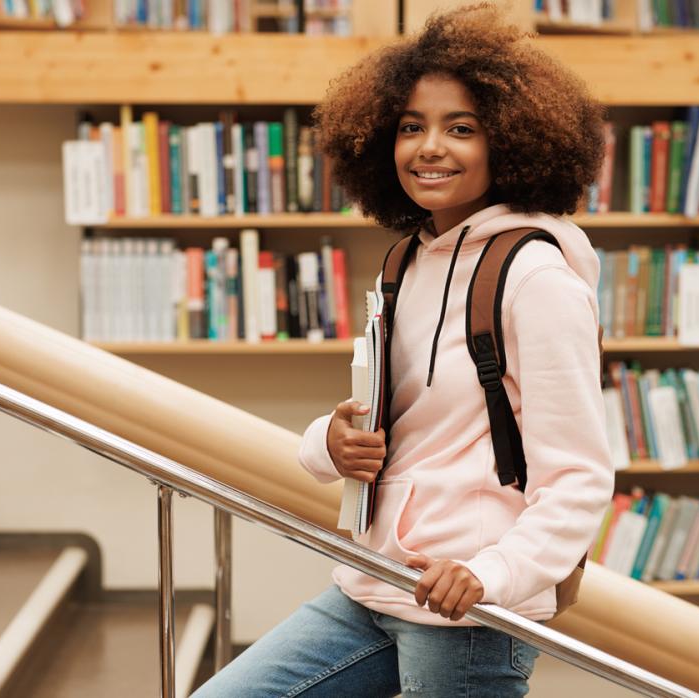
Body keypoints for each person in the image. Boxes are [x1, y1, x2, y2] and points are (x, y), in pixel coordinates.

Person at [193, 4, 614, 696]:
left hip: (467, 611)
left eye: (461, 128)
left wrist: (491, 573)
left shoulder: (538, 279)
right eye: (411, 127)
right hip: (375, 583)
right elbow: (401, 424)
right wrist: (326, 444)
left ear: (510, 141)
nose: (429, 148)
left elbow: (580, 476)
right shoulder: (406, 262)